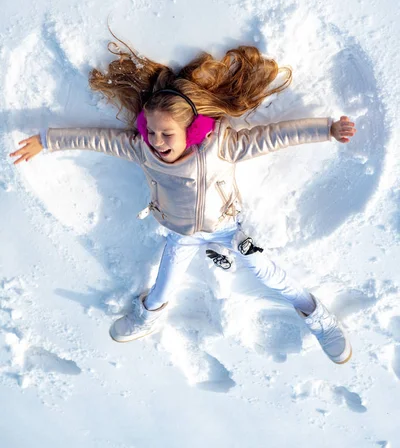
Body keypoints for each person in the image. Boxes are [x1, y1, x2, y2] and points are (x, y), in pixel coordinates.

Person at [9, 37, 356, 364]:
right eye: (152, 132)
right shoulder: (143, 149)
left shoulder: (220, 148)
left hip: (227, 231)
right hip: (180, 234)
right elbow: (98, 139)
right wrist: (48, 140)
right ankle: (148, 316)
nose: (158, 141)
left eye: (166, 134)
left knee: (265, 270)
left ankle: (317, 315)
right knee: (163, 286)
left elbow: (272, 137)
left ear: (190, 130)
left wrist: (326, 129)